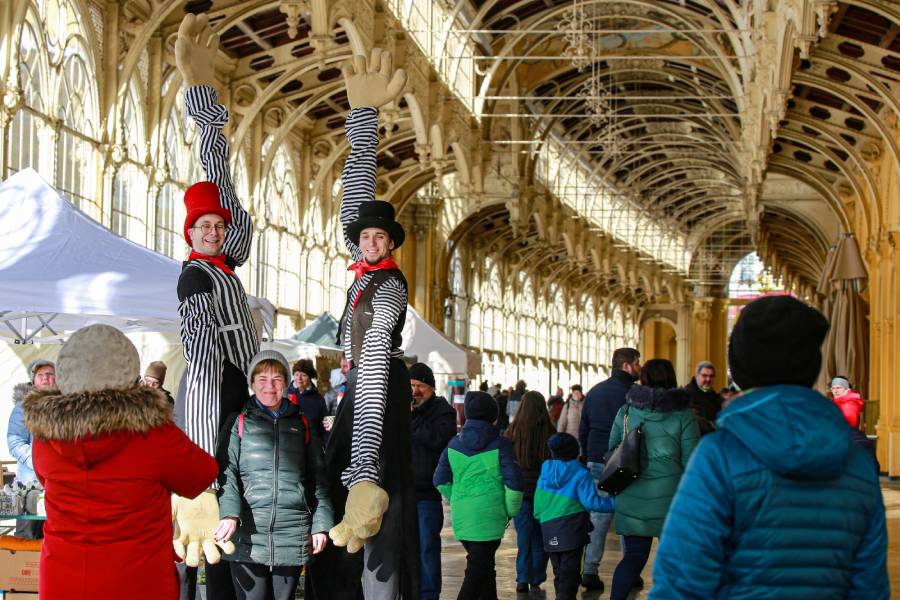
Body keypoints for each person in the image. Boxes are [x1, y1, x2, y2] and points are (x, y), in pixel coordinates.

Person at [651, 296, 889, 599]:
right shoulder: (855, 462)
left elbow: (681, 582)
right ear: (812, 366)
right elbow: (870, 586)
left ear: (739, 368)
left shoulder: (719, 456)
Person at [309, 47, 418, 600]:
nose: (370, 241)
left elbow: (374, 364)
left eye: (380, 238)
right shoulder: (361, 276)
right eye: (367, 238)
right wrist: (363, 124)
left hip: (378, 394)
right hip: (360, 392)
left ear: (392, 246)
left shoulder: (390, 286)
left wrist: (364, 466)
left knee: (372, 501)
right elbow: (354, 205)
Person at [22, 324, 218, 600]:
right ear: (130, 373)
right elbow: (201, 473)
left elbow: (45, 478)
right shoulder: (151, 431)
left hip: (63, 579)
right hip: (138, 581)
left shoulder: (44, 435)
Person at [172, 15, 258, 599]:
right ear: (190, 232)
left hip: (238, 385)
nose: (212, 230)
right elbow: (201, 360)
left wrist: (205, 101)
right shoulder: (196, 280)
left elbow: (220, 181)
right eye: (202, 225)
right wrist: (200, 473)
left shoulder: (228, 262)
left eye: (217, 225)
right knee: (212, 521)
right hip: (212, 394)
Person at [216, 350, 333, 600]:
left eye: (277, 379)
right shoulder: (238, 422)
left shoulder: (301, 424)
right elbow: (227, 471)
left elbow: (319, 480)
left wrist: (321, 525)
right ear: (252, 383)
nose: (270, 386)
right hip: (248, 531)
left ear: (286, 382)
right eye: (262, 379)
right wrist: (229, 513)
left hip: (292, 531)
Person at [607, 359, 699, 600]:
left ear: (644, 379)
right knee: (674, 561)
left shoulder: (626, 411)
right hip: (671, 502)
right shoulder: (685, 416)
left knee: (633, 559)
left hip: (632, 495)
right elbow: (693, 463)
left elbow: (612, 450)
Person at [433, 392, 523, 600]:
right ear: (494, 417)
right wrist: (509, 510)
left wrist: (457, 499)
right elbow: (515, 485)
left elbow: (439, 480)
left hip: (464, 520)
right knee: (475, 575)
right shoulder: (501, 445)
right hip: (490, 519)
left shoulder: (453, 445)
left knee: (485, 570)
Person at [577, 347, 641, 592]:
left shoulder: (594, 392)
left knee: (599, 518)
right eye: (637, 363)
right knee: (627, 517)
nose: (639, 367)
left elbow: (584, 428)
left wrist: (588, 456)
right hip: (625, 462)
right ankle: (630, 572)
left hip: (596, 460)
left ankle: (590, 571)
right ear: (626, 366)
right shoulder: (634, 394)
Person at [534, 433, 616, 600]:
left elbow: (537, 507)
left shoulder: (544, 473)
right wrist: (615, 503)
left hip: (549, 532)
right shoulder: (580, 473)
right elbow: (591, 502)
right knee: (571, 578)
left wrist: (545, 520)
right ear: (575, 452)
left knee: (559, 574)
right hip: (573, 532)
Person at [408, 362, 457, 600]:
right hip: (402, 492)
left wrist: (412, 417)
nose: (415, 391)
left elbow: (437, 440)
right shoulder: (403, 410)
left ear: (431, 387)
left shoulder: (444, 412)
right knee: (405, 549)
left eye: (420, 386)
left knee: (427, 547)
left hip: (427, 493)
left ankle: (429, 595)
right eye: (411, 386)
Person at [505, 390, 554, 593]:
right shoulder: (550, 432)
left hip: (521, 494)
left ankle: (522, 579)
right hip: (544, 495)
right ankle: (537, 576)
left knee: (523, 537)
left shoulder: (513, 431)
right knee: (541, 538)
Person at [7, 359, 56, 539]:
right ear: (33, 380)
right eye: (40, 375)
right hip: (30, 486)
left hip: (59, 485)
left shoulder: (66, 406)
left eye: (50, 374)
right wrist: (40, 462)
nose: (45, 378)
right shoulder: (23, 407)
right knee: (27, 538)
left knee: (54, 537)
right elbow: (15, 442)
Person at [286, 359, 328, 440]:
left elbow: (324, 426)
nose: (299, 378)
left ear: (310, 377)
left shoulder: (318, 399)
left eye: (303, 375)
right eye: (296, 374)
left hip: (312, 444)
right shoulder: (285, 394)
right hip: (289, 443)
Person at [683, 361, 721, 434]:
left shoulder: (712, 394)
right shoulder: (687, 394)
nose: (708, 379)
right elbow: (696, 420)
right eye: (704, 375)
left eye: (711, 376)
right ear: (696, 376)